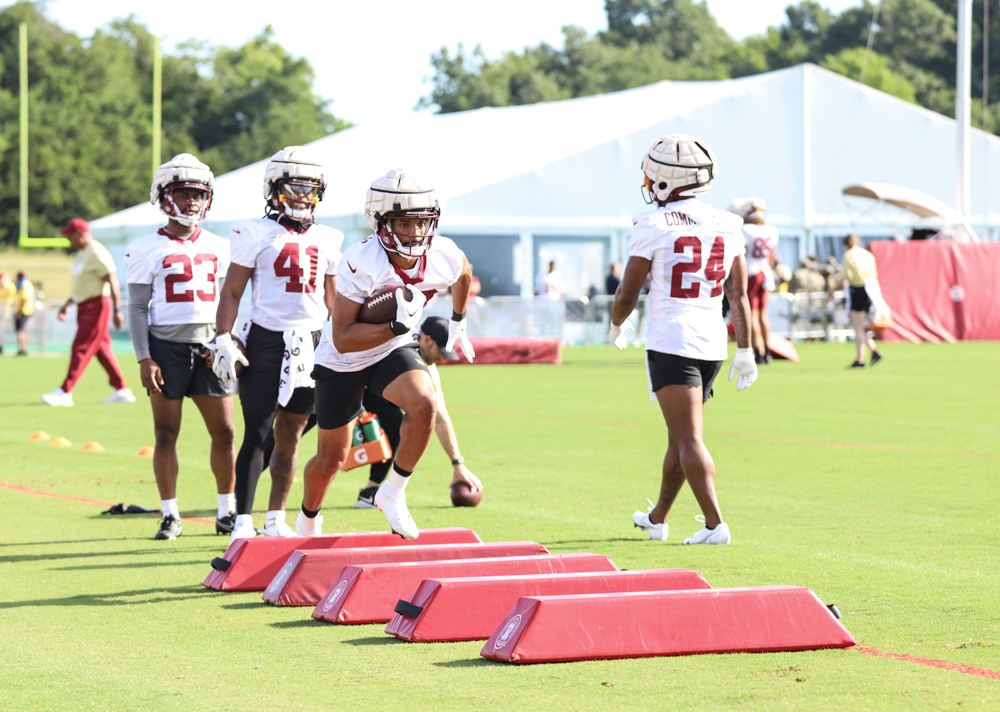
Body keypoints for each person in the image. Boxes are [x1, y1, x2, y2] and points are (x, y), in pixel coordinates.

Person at [300, 168, 476, 539]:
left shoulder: (443, 252)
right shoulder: (361, 259)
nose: (415, 232)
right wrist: (395, 325)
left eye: (422, 222)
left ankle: (392, 492)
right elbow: (343, 336)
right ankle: (308, 519)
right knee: (331, 459)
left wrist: (458, 321)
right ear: (380, 221)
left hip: (391, 351)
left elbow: (463, 273)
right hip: (342, 360)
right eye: (404, 222)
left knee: (425, 403)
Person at [609, 134, 757, 546]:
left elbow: (627, 292)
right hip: (712, 344)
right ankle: (657, 518)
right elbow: (738, 295)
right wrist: (746, 349)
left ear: (662, 182)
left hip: (672, 342)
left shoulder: (652, 225)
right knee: (679, 436)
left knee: (689, 438)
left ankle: (715, 524)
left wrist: (617, 325)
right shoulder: (728, 223)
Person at [210, 146, 344, 541]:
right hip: (266, 339)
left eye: (310, 188)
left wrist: (340, 345)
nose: (303, 195)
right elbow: (232, 291)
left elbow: (333, 299)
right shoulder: (253, 231)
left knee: (292, 430)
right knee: (258, 431)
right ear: (275, 189)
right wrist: (222, 336)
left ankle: (275, 517)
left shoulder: (329, 236)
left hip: (313, 339)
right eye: (294, 186)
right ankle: (241, 520)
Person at [124, 154, 237, 541]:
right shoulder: (144, 247)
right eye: (183, 193)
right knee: (165, 433)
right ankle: (170, 514)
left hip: (209, 345)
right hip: (166, 346)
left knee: (224, 432)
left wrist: (226, 338)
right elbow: (138, 307)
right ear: (163, 196)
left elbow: (232, 299)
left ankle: (227, 510)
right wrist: (144, 356)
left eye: (197, 194)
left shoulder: (222, 245)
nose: (191, 201)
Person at [354, 316, 483, 508]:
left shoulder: (429, 370)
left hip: (366, 388)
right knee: (306, 423)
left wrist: (458, 464)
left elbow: (439, 419)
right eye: (440, 351)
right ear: (427, 340)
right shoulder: (395, 337)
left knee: (395, 423)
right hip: (346, 379)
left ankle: (371, 491)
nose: (441, 358)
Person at [42, 219, 135, 407]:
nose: (68, 240)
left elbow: (113, 280)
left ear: (80, 234)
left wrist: (118, 310)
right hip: (85, 305)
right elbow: (82, 284)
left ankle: (65, 392)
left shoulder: (96, 252)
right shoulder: (83, 253)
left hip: (97, 305)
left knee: (81, 346)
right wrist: (67, 304)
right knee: (102, 350)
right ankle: (122, 390)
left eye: (70, 236)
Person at [738, 198, 778, 364]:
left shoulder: (745, 230)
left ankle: (758, 351)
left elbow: (742, 252)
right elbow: (772, 257)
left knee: (752, 315)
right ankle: (767, 351)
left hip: (751, 272)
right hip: (765, 272)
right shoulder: (772, 230)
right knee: (763, 315)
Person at [842, 234, 884, 368]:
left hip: (858, 289)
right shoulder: (867, 254)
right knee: (862, 327)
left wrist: (832, 289)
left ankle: (861, 359)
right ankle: (872, 351)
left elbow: (847, 276)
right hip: (871, 290)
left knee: (857, 327)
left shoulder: (848, 255)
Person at [14, 271, 34, 356]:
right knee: (23, 330)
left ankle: (22, 349)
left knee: (20, 330)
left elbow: (24, 298)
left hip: (24, 311)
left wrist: (19, 311)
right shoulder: (28, 283)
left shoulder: (24, 284)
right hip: (27, 310)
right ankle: (23, 348)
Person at [0, 271, 13, 354]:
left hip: (5, 312)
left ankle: (1, 347)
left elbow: (12, 296)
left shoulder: (9, 286)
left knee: (2, 330)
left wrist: (5, 286)